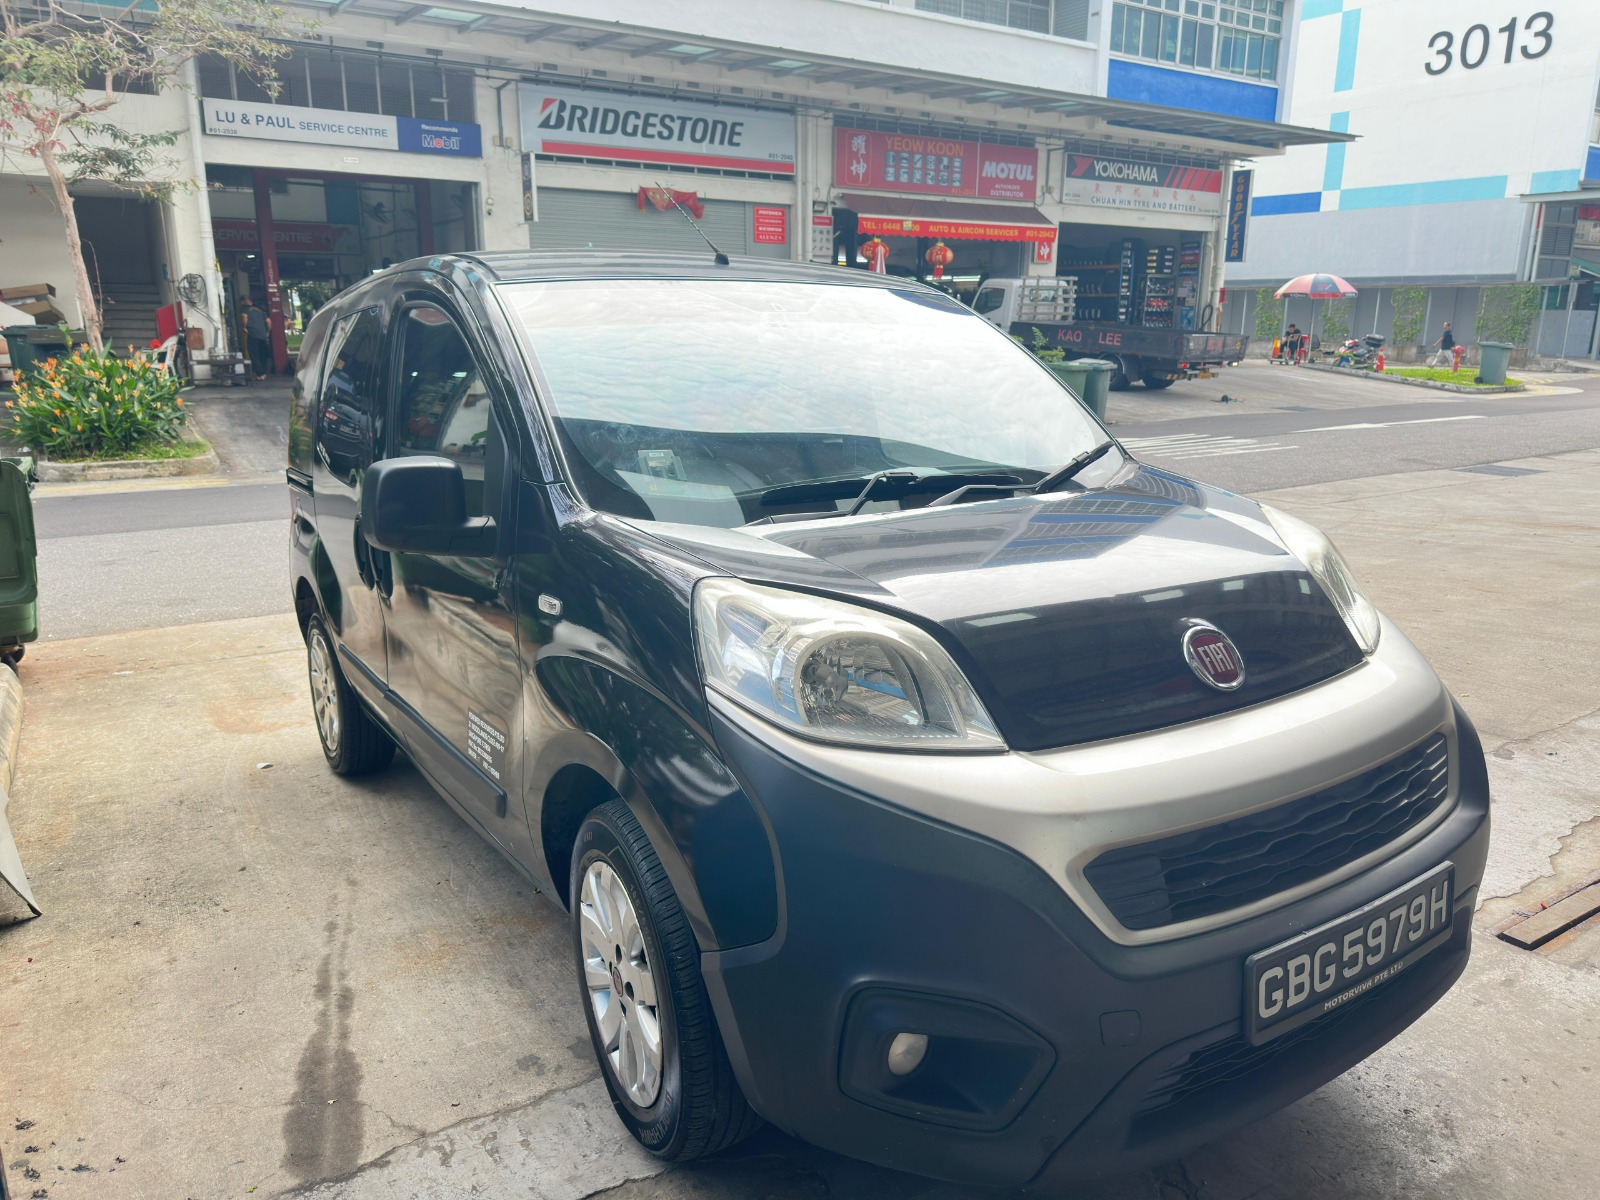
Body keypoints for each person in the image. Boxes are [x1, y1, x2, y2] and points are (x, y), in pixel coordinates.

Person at [241, 296, 272, 380]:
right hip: (263, 335)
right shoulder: (260, 310)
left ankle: (260, 374)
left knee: (254, 354)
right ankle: (264, 372)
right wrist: (267, 332)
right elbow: (268, 321)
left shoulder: (244, 309)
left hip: (253, 334)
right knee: (263, 354)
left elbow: (244, 317)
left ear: (242, 302)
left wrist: (244, 327)